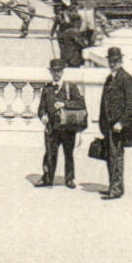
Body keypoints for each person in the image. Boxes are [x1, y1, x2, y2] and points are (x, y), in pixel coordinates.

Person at [35, 58, 86, 189]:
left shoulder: (70, 87)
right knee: (50, 153)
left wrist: (65, 103)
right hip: (52, 127)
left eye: (58, 71)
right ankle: (47, 178)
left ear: (63, 72)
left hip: (68, 127)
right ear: (50, 72)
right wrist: (43, 116)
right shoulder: (47, 89)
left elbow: (81, 104)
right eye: (54, 71)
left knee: (68, 153)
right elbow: (41, 108)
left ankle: (69, 179)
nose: (56, 73)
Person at [97, 47, 132, 200]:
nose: (113, 63)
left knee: (116, 157)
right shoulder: (110, 78)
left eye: (115, 61)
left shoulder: (126, 78)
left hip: (119, 127)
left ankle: (116, 189)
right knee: (110, 156)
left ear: (121, 61)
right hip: (108, 125)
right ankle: (113, 186)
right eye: (111, 61)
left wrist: (121, 122)